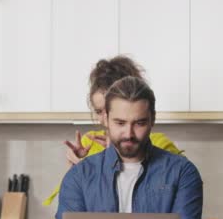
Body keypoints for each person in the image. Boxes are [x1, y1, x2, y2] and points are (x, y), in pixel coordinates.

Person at [51, 76, 203, 219]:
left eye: (139, 123)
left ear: (153, 119)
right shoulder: (79, 175)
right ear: (105, 118)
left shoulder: (182, 172)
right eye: (120, 123)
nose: (128, 133)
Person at [43, 56, 182, 206]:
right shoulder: (88, 144)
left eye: (109, 109)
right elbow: (65, 211)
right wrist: (76, 173)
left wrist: (118, 158)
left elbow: (177, 198)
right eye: (98, 111)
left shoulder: (161, 146)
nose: (104, 119)